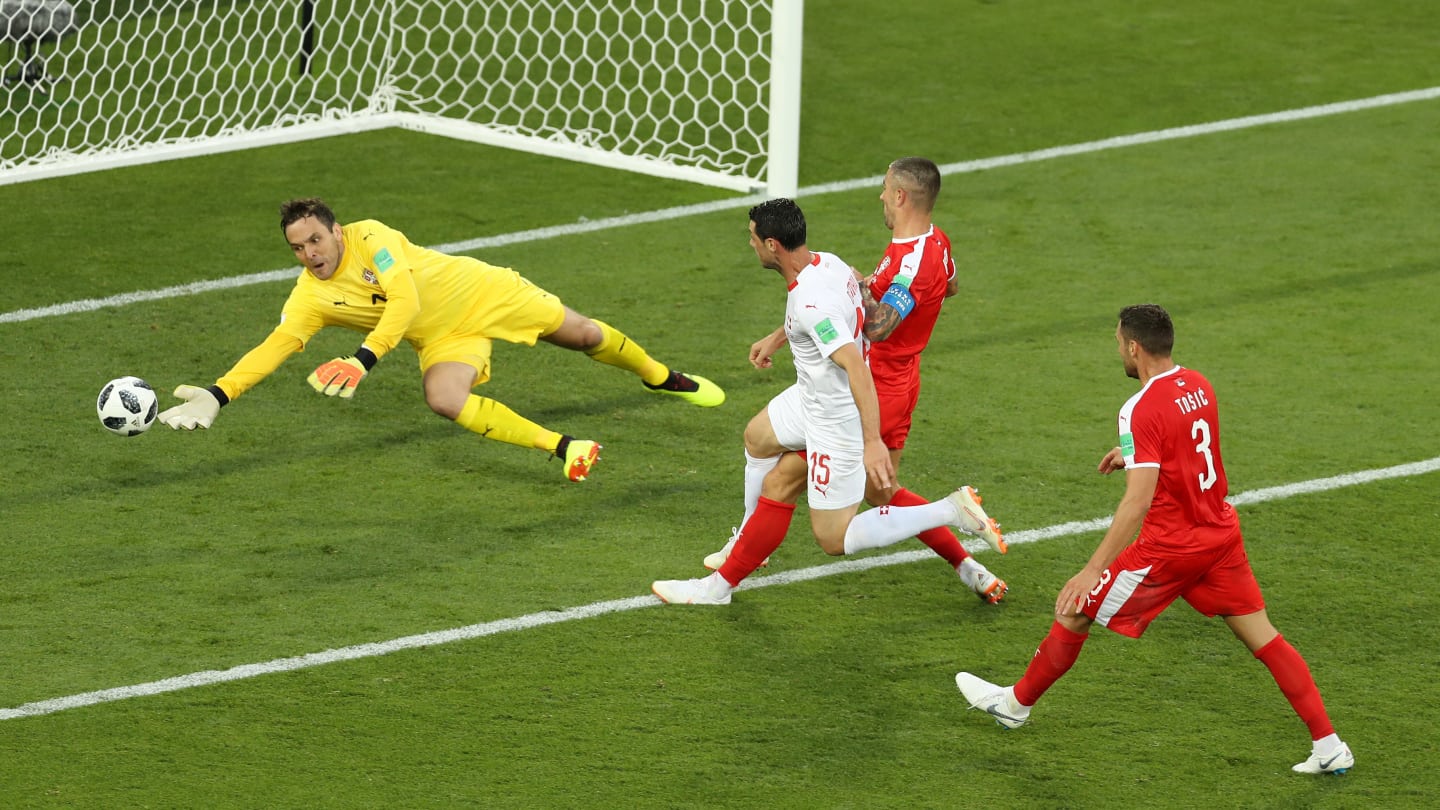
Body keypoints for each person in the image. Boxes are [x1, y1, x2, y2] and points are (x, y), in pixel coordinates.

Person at [955, 304, 1353, 775]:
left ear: (1134, 347)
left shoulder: (1138, 408)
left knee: (1073, 609)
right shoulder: (1199, 384)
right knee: (1265, 637)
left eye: (1118, 343)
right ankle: (1329, 744)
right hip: (1219, 536)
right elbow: (1189, 448)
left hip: (1169, 548)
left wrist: (1092, 569)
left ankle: (1014, 706)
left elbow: (1137, 503)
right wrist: (1135, 454)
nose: (1118, 352)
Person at [157, 197, 724, 481]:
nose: (309, 254)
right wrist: (219, 394)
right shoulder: (310, 296)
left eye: (315, 241)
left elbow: (403, 301)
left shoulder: (372, 238)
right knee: (444, 399)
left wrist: (363, 359)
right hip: (442, 338)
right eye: (298, 249)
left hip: (486, 292)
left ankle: (660, 377)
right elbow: (277, 345)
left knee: (584, 334)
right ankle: (566, 447)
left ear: (336, 231)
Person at [651, 198, 1005, 606]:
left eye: (752, 238)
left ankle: (950, 511)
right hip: (810, 396)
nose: (749, 244)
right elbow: (829, 314)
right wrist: (779, 336)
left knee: (831, 536)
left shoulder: (810, 302)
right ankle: (738, 554)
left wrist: (871, 441)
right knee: (757, 437)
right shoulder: (829, 264)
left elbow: (853, 364)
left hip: (834, 418)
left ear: (772, 245)